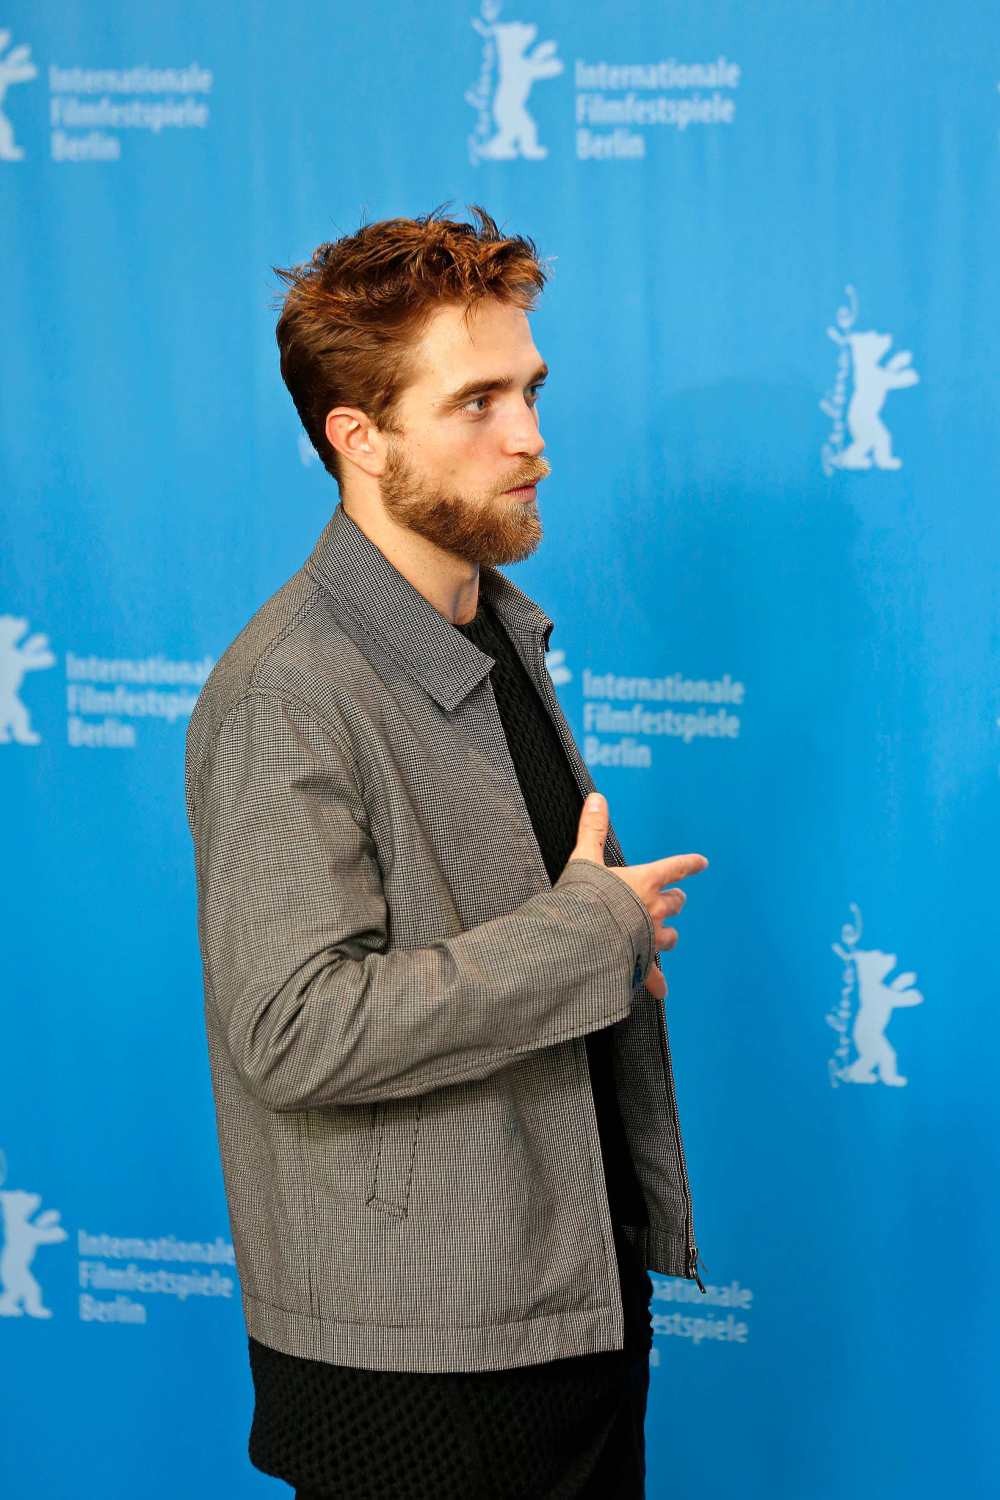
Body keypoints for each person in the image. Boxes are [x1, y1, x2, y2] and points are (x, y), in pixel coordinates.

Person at [184, 203, 708, 1500]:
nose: (529, 437)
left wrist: (593, 945)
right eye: (476, 402)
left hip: (567, 1310)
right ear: (356, 437)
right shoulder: (290, 689)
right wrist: (587, 935)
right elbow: (295, 1028)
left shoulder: (492, 628)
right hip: (424, 1375)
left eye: (529, 391)